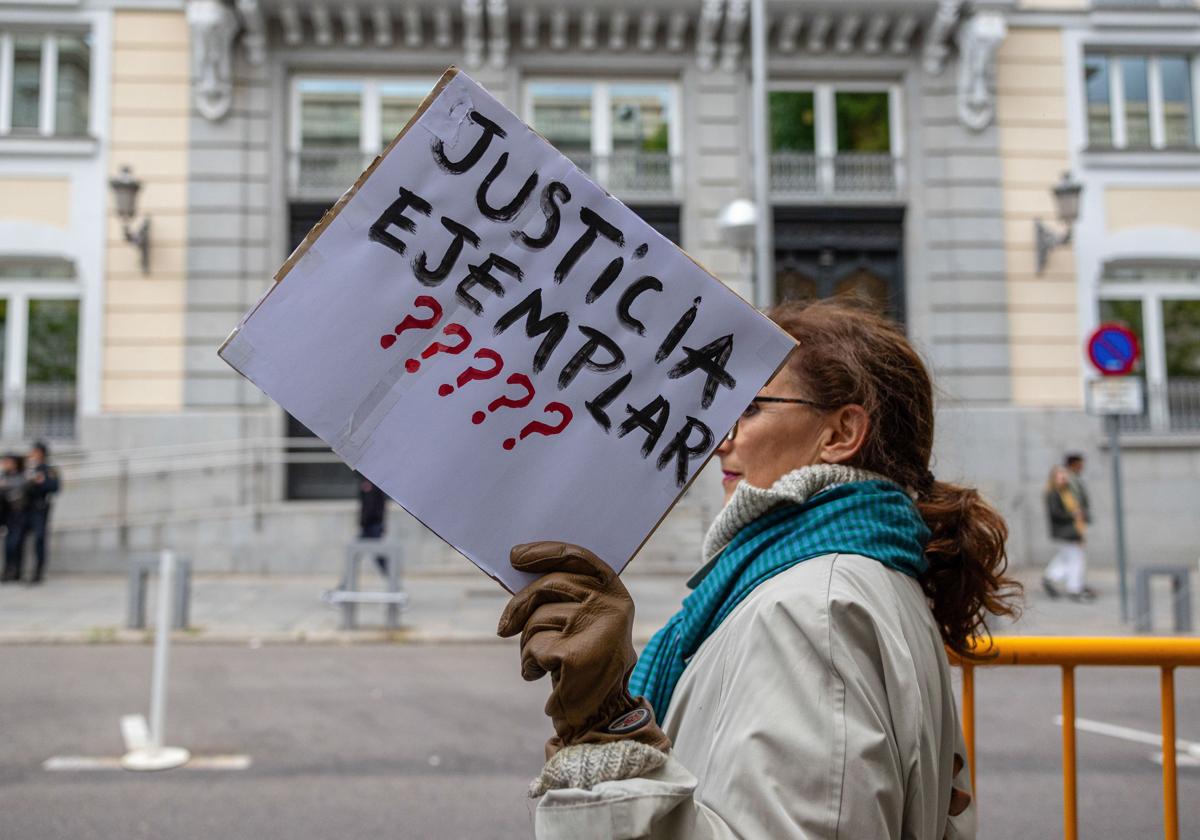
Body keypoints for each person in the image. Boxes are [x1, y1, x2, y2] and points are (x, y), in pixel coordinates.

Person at [497, 298, 1022, 839]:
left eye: (750, 408)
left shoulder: (813, 607)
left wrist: (605, 730)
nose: (720, 437)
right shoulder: (845, 576)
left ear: (840, 434)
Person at [1042, 464, 1093, 602]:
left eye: (1065, 476)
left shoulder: (1067, 492)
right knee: (1076, 559)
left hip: (1072, 530)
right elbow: (1056, 513)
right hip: (1065, 532)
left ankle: (1050, 578)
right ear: (1054, 478)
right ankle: (1074, 589)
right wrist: (1073, 514)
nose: (1064, 478)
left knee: (1066, 558)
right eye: (1061, 476)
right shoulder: (1053, 494)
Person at [21, 442, 59, 584]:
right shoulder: (27, 468)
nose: (33, 455)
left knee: (39, 540)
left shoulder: (49, 470)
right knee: (19, 540)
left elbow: (55, 487)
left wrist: (41, 482)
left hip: (40, 509)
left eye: (36, 452)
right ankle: (18, 571)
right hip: (24, 509)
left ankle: (38, 571)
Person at [0, 454, 27, 583]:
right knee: (8, 545)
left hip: (19, 515)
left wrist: (5, 487)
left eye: (8, 462)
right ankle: (7, 571)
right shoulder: (3, 477)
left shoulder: (20, 476)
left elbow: (21, 490)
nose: (5, 465)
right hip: (7, 516)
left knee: (16, 543)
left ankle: (17, 571)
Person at [357, 474, 389, 574]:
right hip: (366, 525)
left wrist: (380, 522)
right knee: (355, 552)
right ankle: (346, 580)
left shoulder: (378, 487)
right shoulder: (364, 485)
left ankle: (390, 575)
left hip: (375, 524)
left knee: (377, 553)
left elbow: (379, 506)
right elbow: (363, 505)